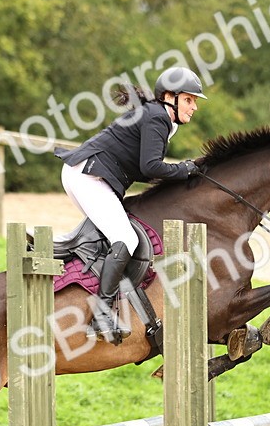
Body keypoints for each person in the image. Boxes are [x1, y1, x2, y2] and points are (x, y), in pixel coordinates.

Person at [58, 66, 207, 343]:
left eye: (194, 101)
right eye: (189, 99)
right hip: (88, 176)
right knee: (125, 237)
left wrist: (182, 171)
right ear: (169, 97)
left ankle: (77, 275)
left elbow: (144, 171)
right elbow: (150, 166)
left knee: (112, 237)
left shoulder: (157, 116)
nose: (194, 107)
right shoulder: (158, 117)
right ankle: (101, 315)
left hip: (85, 173)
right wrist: (185, 169)